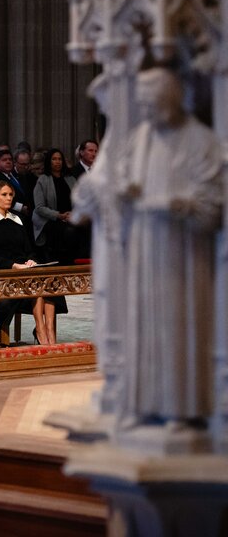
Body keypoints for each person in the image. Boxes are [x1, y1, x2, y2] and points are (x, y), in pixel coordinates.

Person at [116, 67, 221, 428]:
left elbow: (213, 201)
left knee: (178, 325)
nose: (144, 112)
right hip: (145, 246)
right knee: (143, 324)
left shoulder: (200, 141)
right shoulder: (141, 136)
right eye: (140, 105)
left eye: (150, 104)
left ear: (170, 99)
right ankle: (143, 404)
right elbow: (123, 177)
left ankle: (181, 408)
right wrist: (124, 191)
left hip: (183, 252)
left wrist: (178, 203)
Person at [0, 181, 56, 344]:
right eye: (4, 195)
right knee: (37, 284)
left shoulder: (17, 219)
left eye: (11, 195)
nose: (9, 198)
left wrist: (31, 260)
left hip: (25, 268)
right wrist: (13, 265)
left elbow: (29, 248)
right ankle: (40, 330)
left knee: (51, 283)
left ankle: (48, 331)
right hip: (4, 272)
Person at [32, 148, 78, 265]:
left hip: (70, 217)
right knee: (67, 232)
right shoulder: (42, 180)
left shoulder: (71, 179)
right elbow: (40, 207)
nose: (57, 162)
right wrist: (59, 215)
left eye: (60, 159)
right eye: (54, 159)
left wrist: (72, 214)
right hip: (49, 219)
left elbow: (79, 201)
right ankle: (63, 265)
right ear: (49, 162)